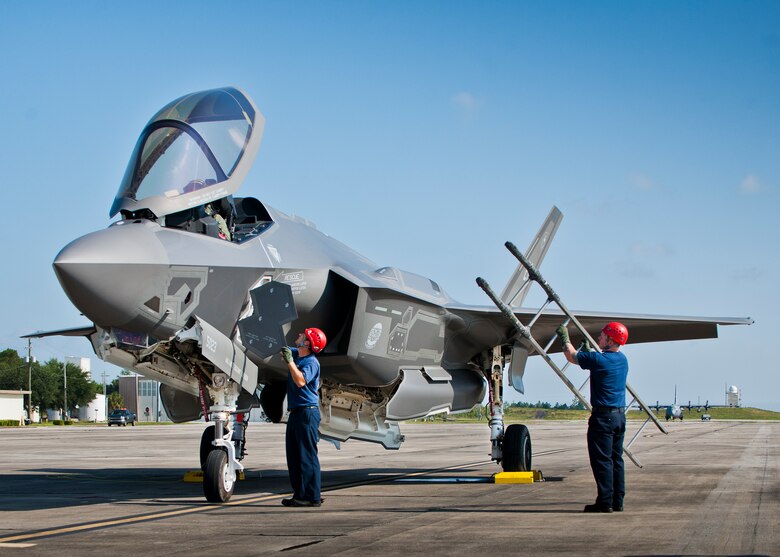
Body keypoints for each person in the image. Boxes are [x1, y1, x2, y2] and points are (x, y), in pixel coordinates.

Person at [557, 321, 629, 513]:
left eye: (603, 336)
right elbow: (594, 362)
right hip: (619, 417)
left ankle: (604, 502)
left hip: (603, 419)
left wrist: (564, 337)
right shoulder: (622, 360)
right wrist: (588, 350)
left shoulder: (600, 360)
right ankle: (617, 501)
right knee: (616, 459)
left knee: (602, 461)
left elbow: (571, 356)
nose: (599, 338)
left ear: (611, 339)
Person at [280, 327, 327, 507]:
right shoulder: (299, 354)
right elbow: (283, 352)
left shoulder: (311, 362)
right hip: (296, 412)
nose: (299, 335)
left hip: (307, 413)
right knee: (294, 456)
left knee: (306, 455)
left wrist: (290, 362)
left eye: (302, 335)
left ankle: (312, 496)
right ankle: (300, 494)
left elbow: (300, 381)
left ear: (307, 343)